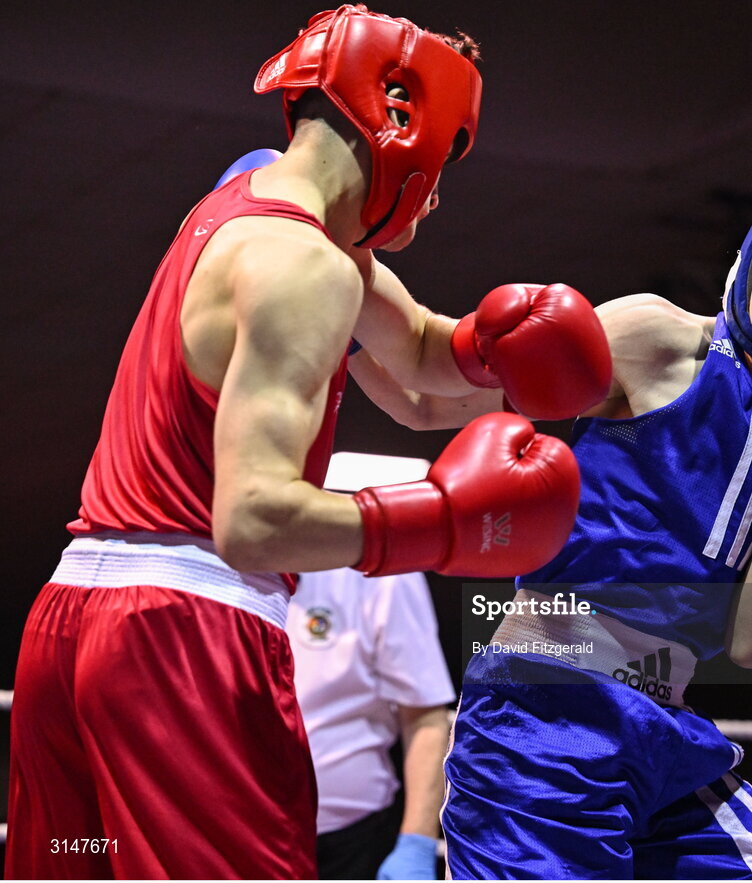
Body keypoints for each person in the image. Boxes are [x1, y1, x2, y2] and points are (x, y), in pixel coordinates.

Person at [4, 5, 613, 879]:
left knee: (75, 864)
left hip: (70, 627)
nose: (438, 193)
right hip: (187, 640)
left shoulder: (242, 214)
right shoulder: (308, 267)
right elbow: (251, 521)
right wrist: (442, 523)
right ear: (401, 126)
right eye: (447, 159)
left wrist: (500, 352)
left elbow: (419, 361)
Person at [349, 137, 752, 878]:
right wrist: (335, 257)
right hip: (543, 713)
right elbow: (428, 400)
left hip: (666, 729)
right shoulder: (655, 340)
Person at [288, 565, 453, 880]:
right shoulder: (214, 564)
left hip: (355, 843)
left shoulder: (381, 571)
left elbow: (425, 717)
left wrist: (416, 843)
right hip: (238, 831)